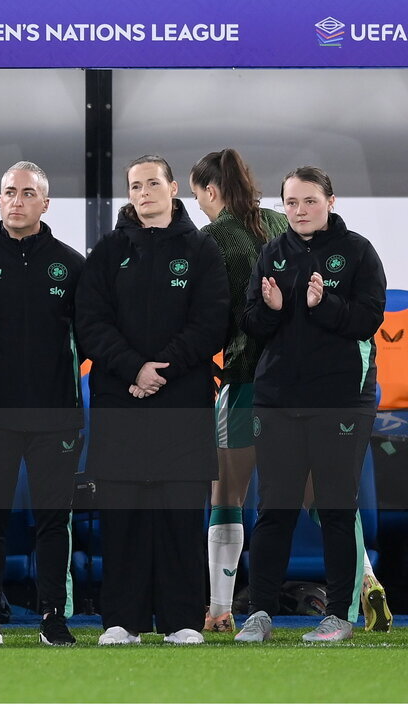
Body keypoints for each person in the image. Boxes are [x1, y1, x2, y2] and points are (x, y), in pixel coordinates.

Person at [192, 150, 392, 633]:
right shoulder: (275, 241)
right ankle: (272, 609)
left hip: (310, 392)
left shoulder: (356, 251)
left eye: (309, 201)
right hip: (276, 394)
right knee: (290, 506)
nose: (300, 209)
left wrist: (324, 305)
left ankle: (242, 608)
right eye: (293, 201)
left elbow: (368, 321)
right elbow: (253, 318)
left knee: (284, 500)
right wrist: (273, 308)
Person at [75, 154, 228, 646]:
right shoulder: (108, 251)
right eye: (135, 186)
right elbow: (90, 322)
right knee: (124, 516)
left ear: (172, 188)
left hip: (181, 400)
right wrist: (133, 368)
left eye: (152, 184)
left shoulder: (202, 250)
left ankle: (183, 620)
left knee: (179, 513)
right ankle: (123, 620)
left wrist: (161, 369)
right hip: (120, 399)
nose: (143, 193)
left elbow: (212, 321)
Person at [0, 161, 85, 646]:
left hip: (56, 415)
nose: (17, 201)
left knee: (53, 520)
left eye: (27, 193)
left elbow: (88, 336)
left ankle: (53, 618)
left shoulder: (72, 266)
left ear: (45, 203)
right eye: (9, 192)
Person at [189, 148, 289, 632]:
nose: (199, 207)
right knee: (319, 492)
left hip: (246, 373)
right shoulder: (281, 223)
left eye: (197, 197)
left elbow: (207, 317)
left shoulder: (211, 238)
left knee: (226, 493)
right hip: (296, 378)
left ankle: (219, 609)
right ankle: (365, 582)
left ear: (212, 191)